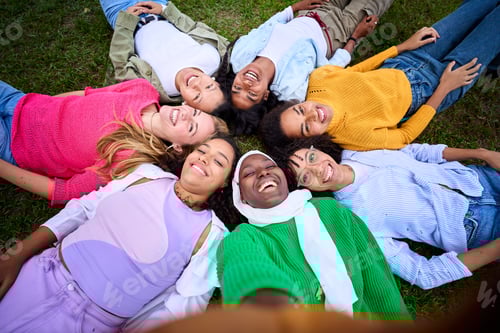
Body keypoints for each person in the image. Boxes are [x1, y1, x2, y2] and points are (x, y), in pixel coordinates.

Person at [0, 135, 242, 333]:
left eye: (218, 162)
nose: (204, 159)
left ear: (225, 183)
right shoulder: (146, 175)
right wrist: (17, 255)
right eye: (202, 150)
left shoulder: (213, 235)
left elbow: (183, 306)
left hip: (91, 323)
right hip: (40, 275)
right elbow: (82, 209)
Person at [260, 0, 500, 152]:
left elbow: (359, 70)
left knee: (478, 6)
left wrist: (402, 47)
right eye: (306, 127)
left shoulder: (319, 82)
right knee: (495, 25)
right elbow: (404, 136)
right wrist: (444, 90)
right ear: (309, 141)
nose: (312, 114)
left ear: (297, 103)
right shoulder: (351, 138)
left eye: (300, 111)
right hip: (435, 87)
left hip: (408, 58)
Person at [272, 134, 500, 289]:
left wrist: (482, 154)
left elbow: (415, 152)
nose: (318, 169)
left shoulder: (359, 149)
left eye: (311, 158)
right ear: (305, 188)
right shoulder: (356, 221)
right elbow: (422, 274)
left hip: (478, 178)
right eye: (306, 176)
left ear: (317, 149)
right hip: (480, 228)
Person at [216, 150, 410, 319]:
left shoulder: (330, 210)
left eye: (270, 166)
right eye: (249, 173)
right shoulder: (243, 238)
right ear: (240, 196)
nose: (263, 172)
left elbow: (374, 273)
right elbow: (246, 274)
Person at [0, 78, 228, 206]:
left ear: (178, 147)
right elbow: (85, 94)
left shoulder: (127, 159)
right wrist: (40, 104)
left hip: (12, 145)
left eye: (190, 128)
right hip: (21, 101)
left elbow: (63, 191)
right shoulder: (142, 89)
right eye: (195, 113)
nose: (187, 115)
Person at [213, 0, 393, 135]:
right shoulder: (290, 90)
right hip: (338, 30)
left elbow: (264, 28)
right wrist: (355, 37)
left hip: (312, 10)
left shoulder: (238, 56)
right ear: (265, 94)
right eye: (252, 94)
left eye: (237, 88)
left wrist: (295, 8)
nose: (246, 84)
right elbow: (328, 71)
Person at [100, 0, 229, 112]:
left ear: (186, 105)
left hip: (124, 13)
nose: (197, 84)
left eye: (197, 97)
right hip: (158, 7)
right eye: (209, 86)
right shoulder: (212, 59)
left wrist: (125, 24)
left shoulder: (158, 89)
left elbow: (122, 63)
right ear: (215, 81)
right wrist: (165, 10)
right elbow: (194, 28)